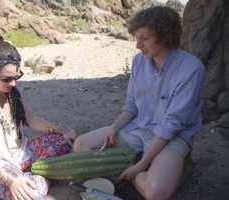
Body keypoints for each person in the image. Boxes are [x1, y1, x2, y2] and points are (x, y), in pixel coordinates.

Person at [73, 6, 205, 200]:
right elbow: (132, 105)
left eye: (144, 38)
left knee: (157, 194)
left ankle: (127, 174)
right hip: (138, 129)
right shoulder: (138, 61)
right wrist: (115, 127)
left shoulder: (191, 69)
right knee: (81, 145)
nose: (138, 45)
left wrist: (141, 165)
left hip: (173, 138)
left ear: (165, 36)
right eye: (136, 38)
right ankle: (131, 173)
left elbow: (171, 125)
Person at [0, 35, 76, 200]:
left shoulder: (12, 92)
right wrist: (10, 181)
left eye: (17, 76)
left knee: (65, 140)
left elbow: (31, 120)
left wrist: (61, 129)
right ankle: (43, 174)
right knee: (33, 193)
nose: (13, 83)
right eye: (6, 79)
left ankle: (37, 173)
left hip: (20, 153)